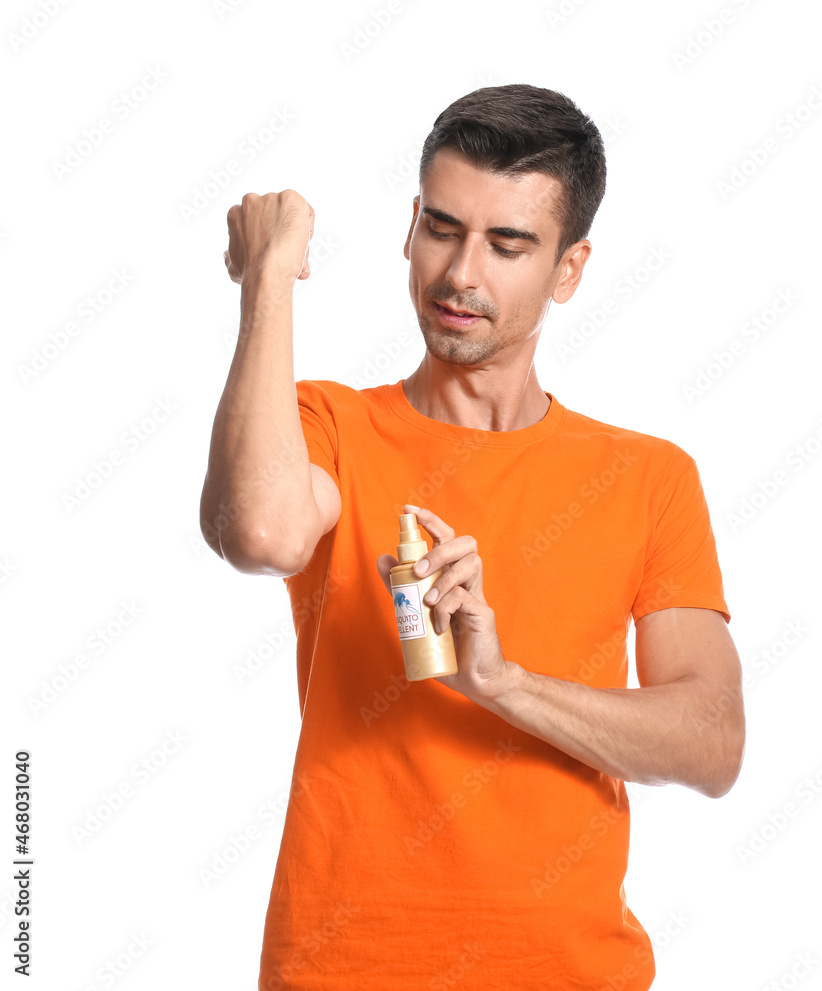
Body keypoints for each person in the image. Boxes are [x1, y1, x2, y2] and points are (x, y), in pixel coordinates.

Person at [201, 82, 745, 991]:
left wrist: (500, 682)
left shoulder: (648, 476)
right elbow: (260, 531)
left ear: (568, 269)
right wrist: (268, 277)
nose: (461, 273)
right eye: (443, 228)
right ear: (411, 226)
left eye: (507, 245)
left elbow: (712, 741)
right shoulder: (329, 426)